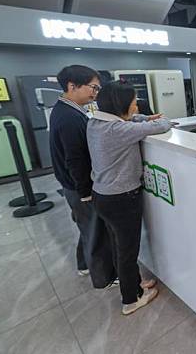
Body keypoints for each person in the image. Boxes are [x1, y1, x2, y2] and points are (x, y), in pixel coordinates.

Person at [87, 80, 172, 315]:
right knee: (127, 250)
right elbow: (163, 125)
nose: (136, 108)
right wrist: (154, 120)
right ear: (120, 105)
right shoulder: (119, 131)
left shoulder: (95, 123)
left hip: (102, 195)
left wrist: (143, 117)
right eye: (134, 103)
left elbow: (132, 120)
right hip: (121, 199)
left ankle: (133, 284)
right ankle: (131, 299)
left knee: (119, 246)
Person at [49, 65, 116, 288]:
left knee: (86, 226)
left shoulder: (66, 109)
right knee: (95, 232)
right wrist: (85, 191)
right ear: (72, 85)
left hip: (73, 186)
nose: (95, 93)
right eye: (93, 87)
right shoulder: (69, 117)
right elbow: (75, 159)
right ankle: (105, 278)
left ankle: (83, 265)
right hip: (79, 187)